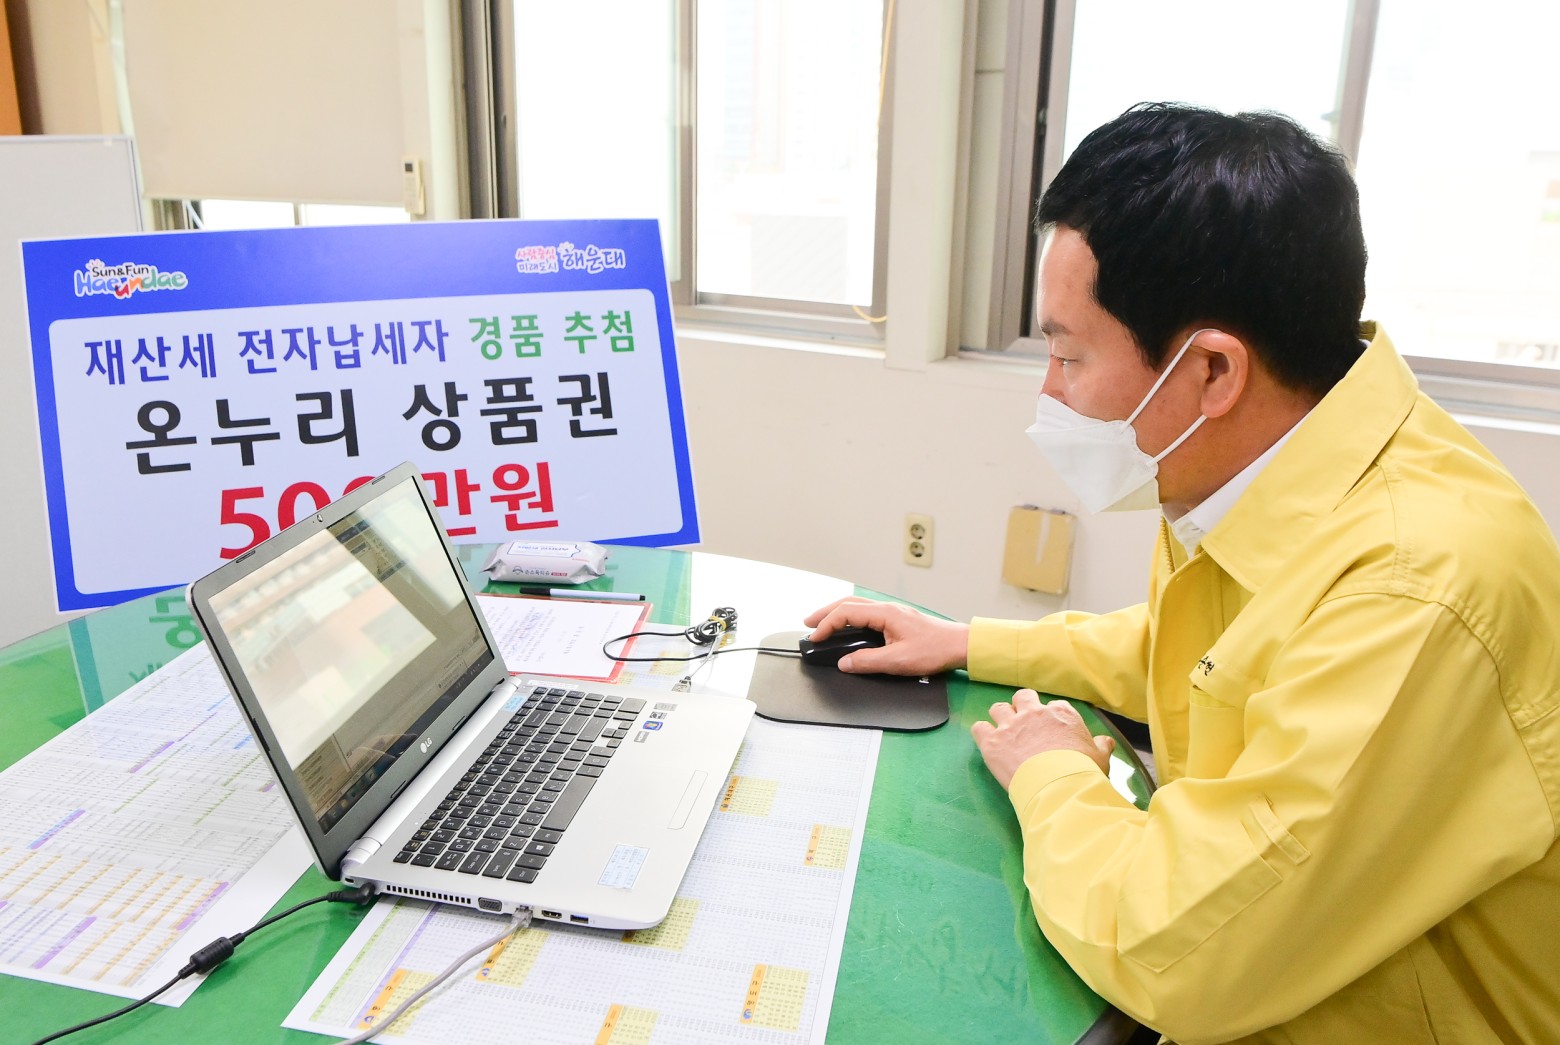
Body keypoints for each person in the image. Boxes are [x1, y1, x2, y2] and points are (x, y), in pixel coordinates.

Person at [806, 103, 1560, 1043]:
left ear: (1211, 371)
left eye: (1068, 353)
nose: (1050, 389)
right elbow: (1208, 655)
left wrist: (1051, 773)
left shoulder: (1416, 588)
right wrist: (967, 641)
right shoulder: (1274, 461)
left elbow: (1177, 945)